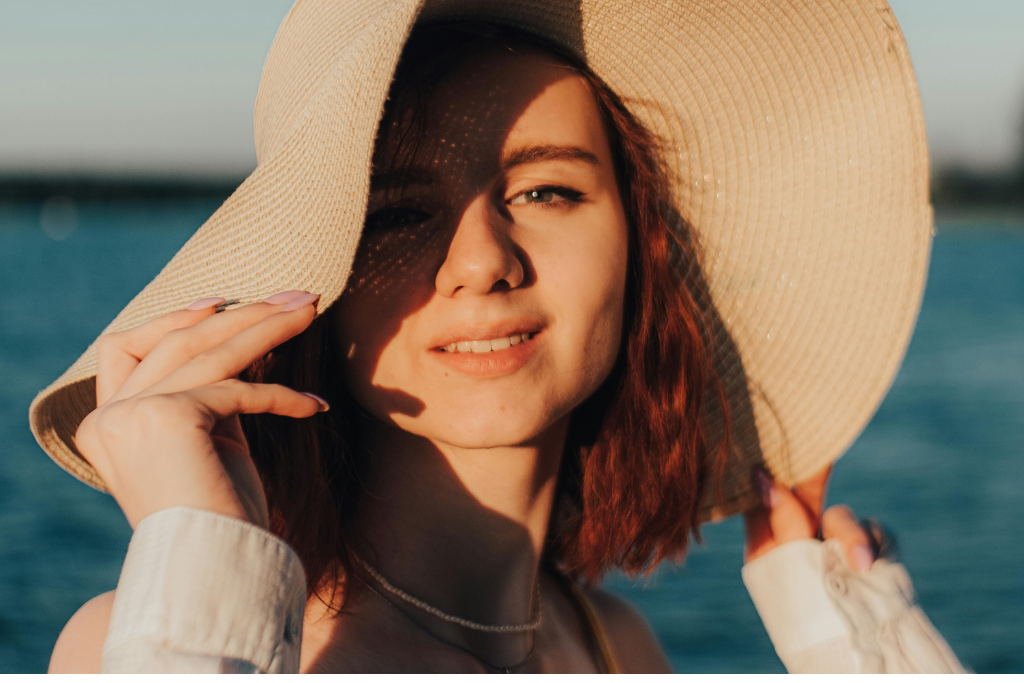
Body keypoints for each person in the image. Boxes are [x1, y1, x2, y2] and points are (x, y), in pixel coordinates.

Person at [35, 1, 964, 674]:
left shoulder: (617, 651)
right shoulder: (133, 641)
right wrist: (198, 570)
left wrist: (854, 642)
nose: (480, 260)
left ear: (641, 248)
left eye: (545, 190)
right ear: (317, 286)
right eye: (398, 214)